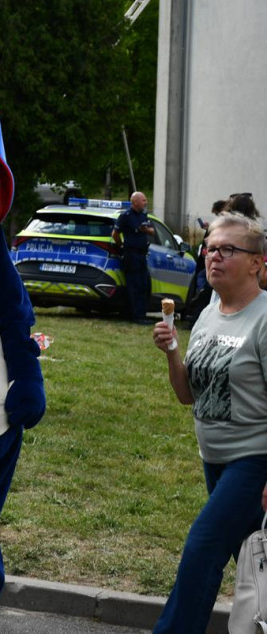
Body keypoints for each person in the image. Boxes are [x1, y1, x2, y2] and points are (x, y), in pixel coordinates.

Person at [151, 212, 267, 634]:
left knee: (203, 548)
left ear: (256, 262)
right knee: (253, 558)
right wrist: (172, 352)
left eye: (227, 249)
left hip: (253, 460)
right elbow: (188, 395)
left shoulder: (264, 318)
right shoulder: (207, 314)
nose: (214, 256)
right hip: (213, 458)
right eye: (210, 248)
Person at [112, 191, 155, 323]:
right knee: (134, 285)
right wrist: (122, 246)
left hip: (142, 255)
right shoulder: (126, 216)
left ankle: (142, 314)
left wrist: (145, 230)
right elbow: (115, 234)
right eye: (143, 200)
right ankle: (136, 315)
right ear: (135, 202)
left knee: (144, 285)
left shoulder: (144, 215)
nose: (146, 203)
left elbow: (152, 231)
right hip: (131, 255)